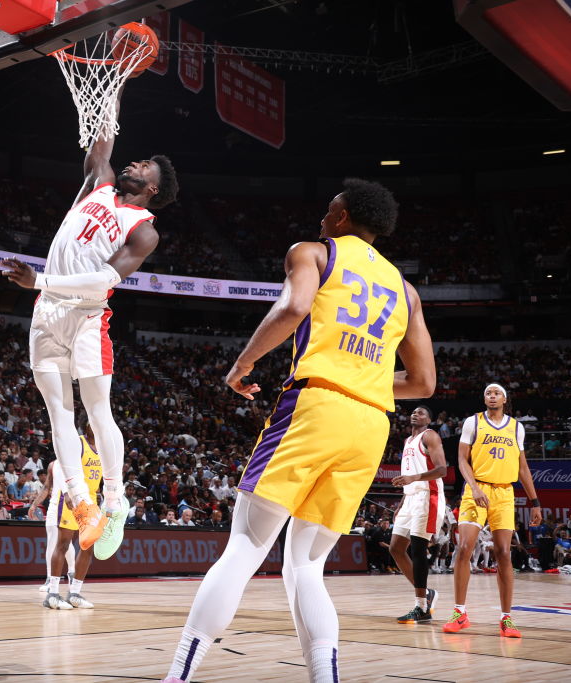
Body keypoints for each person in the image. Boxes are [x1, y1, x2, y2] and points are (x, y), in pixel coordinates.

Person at [162, 178, 436, 683]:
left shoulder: (314, 252)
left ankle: (177, 676)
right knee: (306, 567)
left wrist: (243, 364)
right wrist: (366, 377)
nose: (323, 218)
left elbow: (293, 308)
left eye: (330, 210)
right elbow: (423, 382)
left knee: (244, 548)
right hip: (372, 424)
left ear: (346, 217)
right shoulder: (406, 291)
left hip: (317, 405)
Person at [1, 102, 179, 554]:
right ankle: (83, 506)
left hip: (86, 318)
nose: (133, 164)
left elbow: (104, 281)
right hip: (47, 312)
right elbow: (103, 140)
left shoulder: (144, 229)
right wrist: (115, 85)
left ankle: (115, 500)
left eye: (143, 166)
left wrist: (39, 279)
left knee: (97, 412)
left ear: (153, 187)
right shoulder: (98, 184)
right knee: (58, 413)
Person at [442, 383, 542, 638]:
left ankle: (506, 619)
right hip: (477, 490)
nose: (492, 396)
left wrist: (535, 502)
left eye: (496, 393)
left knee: (504, 553)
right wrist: (474, 487)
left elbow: (523, 468)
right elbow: (462, 459)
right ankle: (459, 612)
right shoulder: (472, 422)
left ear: (505, 399)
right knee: (464, 547)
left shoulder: (515, 427)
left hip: (504, 493)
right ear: (484, 398)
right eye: (488, 393)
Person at [388, 405, 447, 623]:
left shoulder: (430, 436)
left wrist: (414, 479)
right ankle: (426, 593)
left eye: (421, 412)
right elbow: (408, 475)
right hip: (411, 497)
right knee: (395, 548)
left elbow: (442, 469)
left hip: (427, 495)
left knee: (418, 548)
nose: (416, 414)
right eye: (413, 411)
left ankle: (421, 607)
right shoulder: (407, 441)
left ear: (429, 420)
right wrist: (402, 501)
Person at [44, 430, 101, 610]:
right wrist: (67, 492)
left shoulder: (104, 445)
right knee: (63, 544)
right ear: (87, 424)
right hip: (72, 496)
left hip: (91, 500)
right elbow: (61, 467)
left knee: (87, 547)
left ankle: (74, 593)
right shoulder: (78, 442)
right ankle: (52, 593)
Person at [28, 457, 76, 593]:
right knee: (56, 540)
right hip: (54, 504)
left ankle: (62, 576)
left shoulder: (75, 461)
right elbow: (46, 487)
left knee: (60, 541)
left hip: (67, 504)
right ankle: (64, 575)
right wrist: (34, 504)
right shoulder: (52, 464)